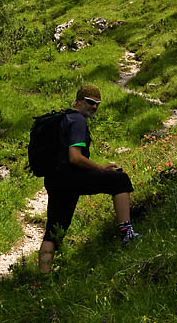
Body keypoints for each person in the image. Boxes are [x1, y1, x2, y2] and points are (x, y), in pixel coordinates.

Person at [39, 84, 139, 273]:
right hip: (70, 178)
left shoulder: (64, 117)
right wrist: (101, 169)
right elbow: (75, 158)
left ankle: (41, 278)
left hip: (54, 180)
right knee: (120, 180)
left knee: (54, 230)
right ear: (78, 101)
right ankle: (127, 233)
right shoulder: (78, 120)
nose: (94, 107)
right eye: (90, 102)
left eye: (97, 104)